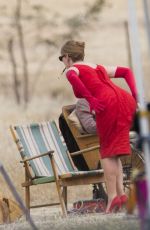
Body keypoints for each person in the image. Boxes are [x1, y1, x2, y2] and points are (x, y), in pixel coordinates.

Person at [58, 40, 137, 213]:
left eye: (61, 58)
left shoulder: (73, 68)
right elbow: (126, 71)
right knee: (115, 151)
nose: (62, 62)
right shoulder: (97, 67)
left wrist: (91, 99)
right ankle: (121, 194)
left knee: (107, 152)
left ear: (67, 57)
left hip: (106, 103)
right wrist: (135, 94)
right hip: (125, 100)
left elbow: (72, 76)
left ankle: (112, 199)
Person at [59, 98, 108, 202]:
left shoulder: (106, 95)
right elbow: (90, 127)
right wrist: (111, 124)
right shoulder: (84, 102)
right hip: (98, 141)